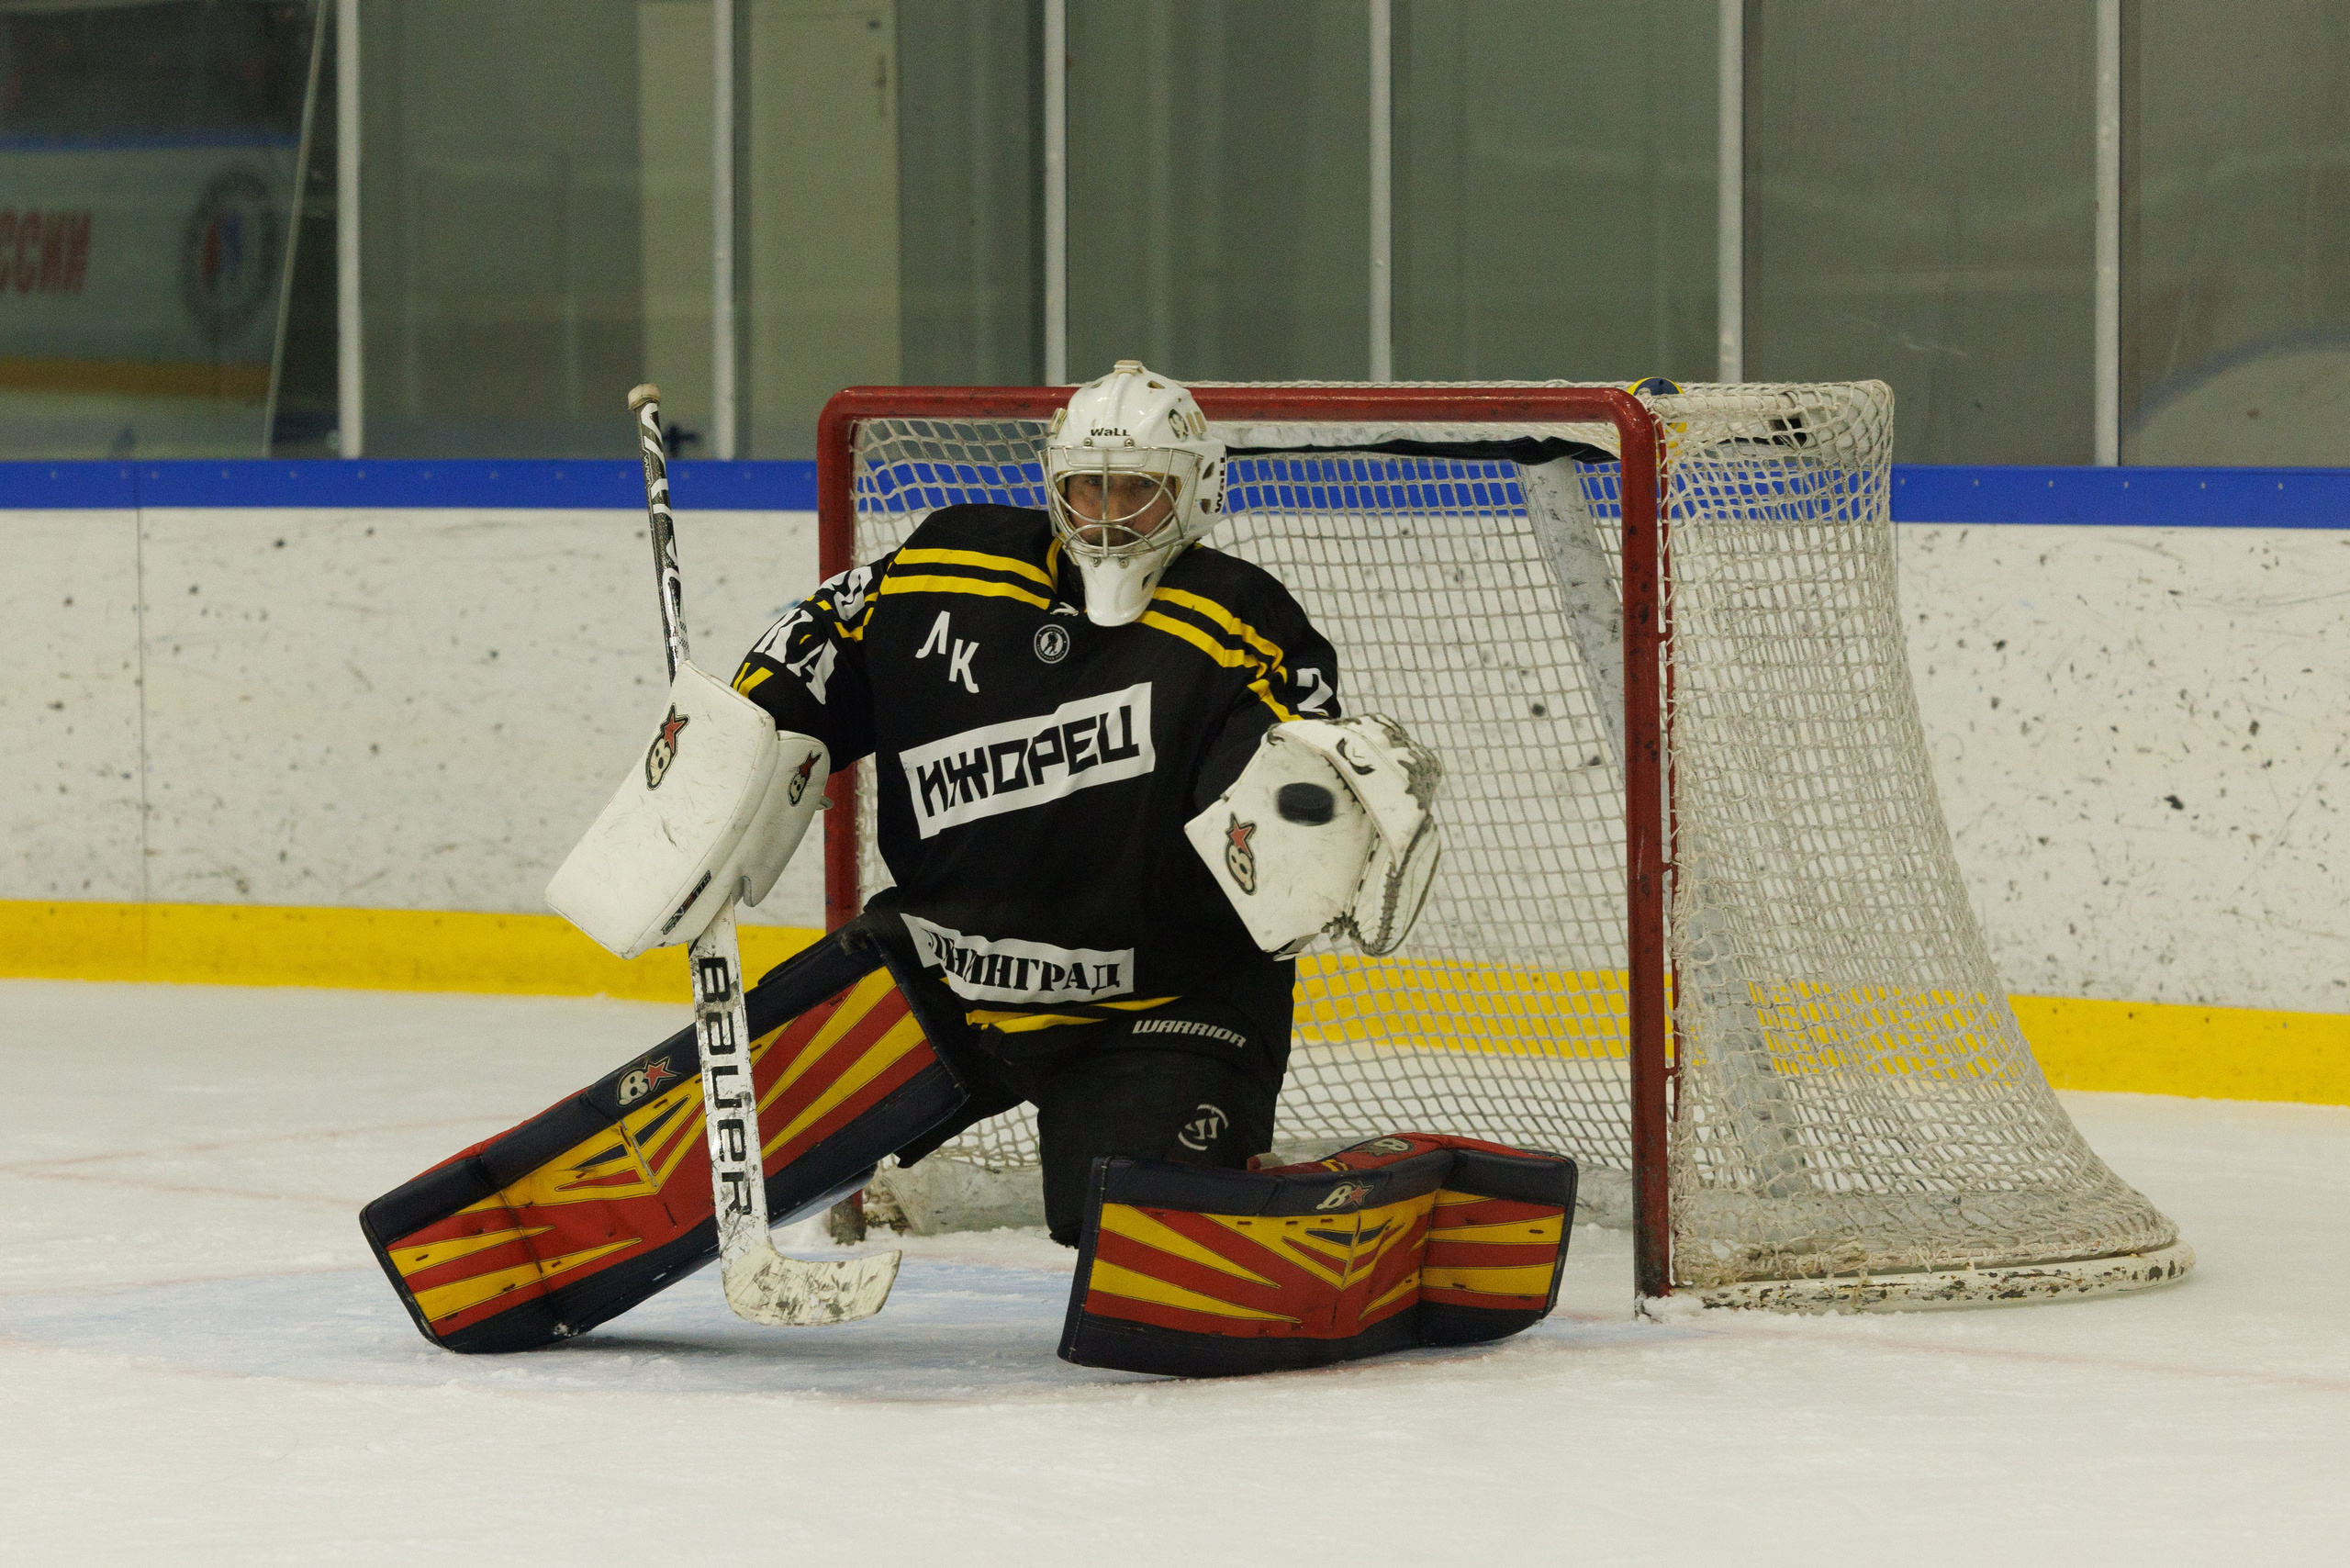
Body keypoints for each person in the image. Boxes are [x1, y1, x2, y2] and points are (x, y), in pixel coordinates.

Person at [726, 361, 1442, 1245]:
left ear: (1194, 490)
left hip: (1158, 1009)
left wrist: (1312, 814)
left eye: (1136, 493)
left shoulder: (1244, 622)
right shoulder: (947, 563)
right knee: (730, 1130)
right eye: (1086, 490)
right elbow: (827, 636)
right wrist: (732, 757)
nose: (1106, 517)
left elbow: (1272, 798)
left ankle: (1331, 1206)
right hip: (948, 971)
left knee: (1135, 1241)